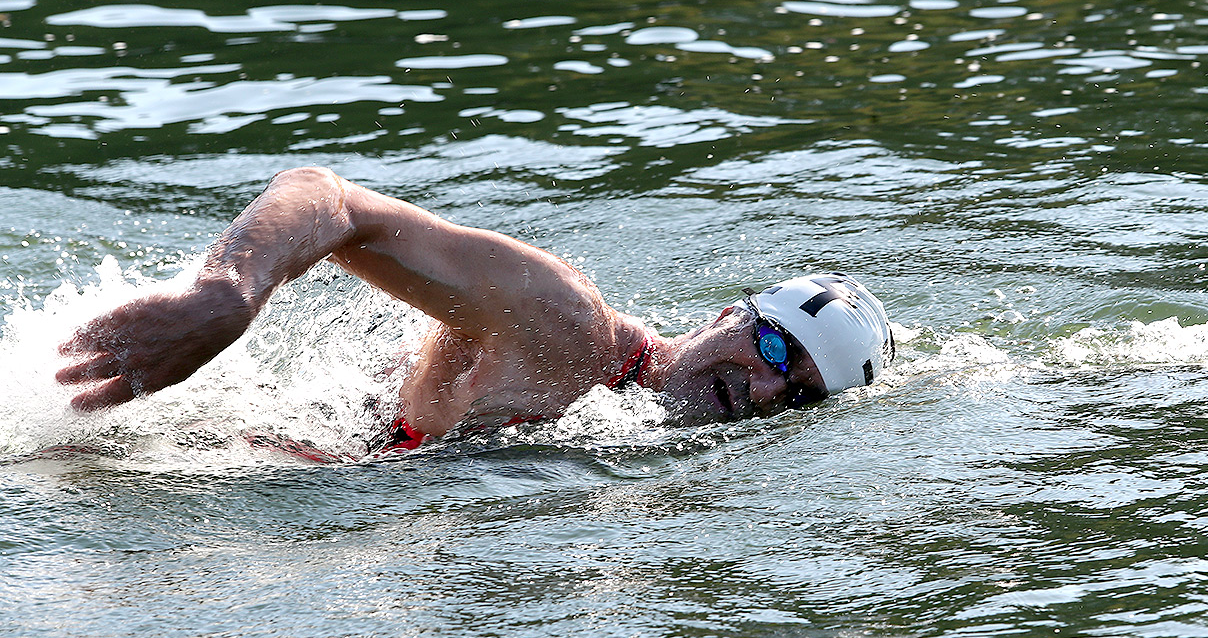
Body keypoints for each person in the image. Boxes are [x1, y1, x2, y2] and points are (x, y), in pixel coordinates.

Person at [56, 167, 895, 452]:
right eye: (778, 350)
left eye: (801, 396)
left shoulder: (666, 465)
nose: (767, 390)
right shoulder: (565, 323)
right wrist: (224, 296)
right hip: (201, 438)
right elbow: (329, 199)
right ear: (728, 317)